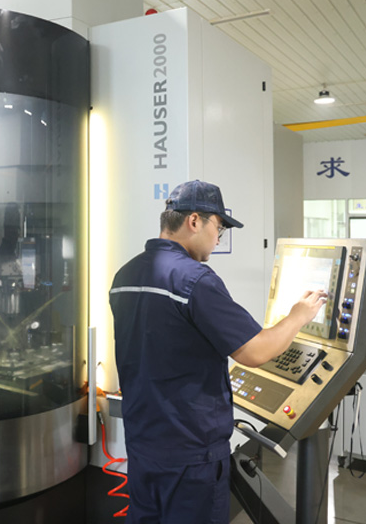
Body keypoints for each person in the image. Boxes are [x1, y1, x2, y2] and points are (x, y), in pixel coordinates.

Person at [109, 180, 327, 524]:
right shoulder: (195, 280)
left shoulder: (126, 274)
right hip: (191, 452)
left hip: (143, 441)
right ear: (194, 221)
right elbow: (255, 351)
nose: (219, 238)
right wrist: (298, 316)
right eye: (219, 227)